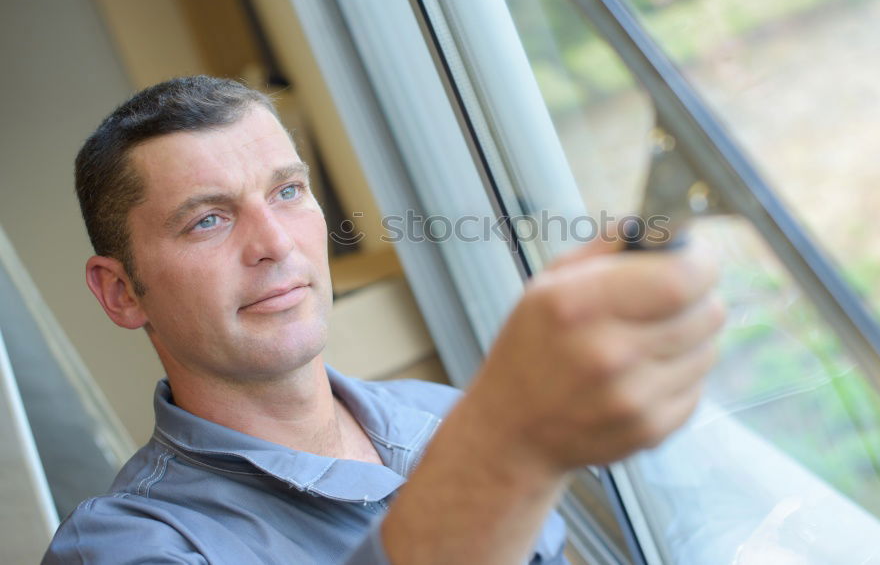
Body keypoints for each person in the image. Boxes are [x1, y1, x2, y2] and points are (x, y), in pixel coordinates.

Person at [43, 76, 724, 564]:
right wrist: (507, 445)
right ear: (120, 292)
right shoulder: (129, 545)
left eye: (287, 191)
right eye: (208, 219)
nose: (275, 243)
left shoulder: (446, 415)